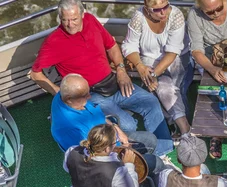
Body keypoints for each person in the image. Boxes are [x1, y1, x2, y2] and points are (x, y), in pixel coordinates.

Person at [31, 0, 173, 156]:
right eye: (64, 20)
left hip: (112, 82)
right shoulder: (54, 42)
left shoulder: (91, 20)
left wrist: (120, 70)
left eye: (74, 19)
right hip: (90, 94)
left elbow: (111, 46)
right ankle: (141, 151)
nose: (69, 24)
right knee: (129, 126)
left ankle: (164, 151)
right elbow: (35, 73)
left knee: (151, 102)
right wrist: (59, 93)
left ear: (82, 14)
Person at [50, 74, 162, 173]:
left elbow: (99, 116)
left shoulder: (65, 95)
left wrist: (117, 128)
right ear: (69, 99)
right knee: (156, 163)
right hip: (107, 159)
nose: (89, 97)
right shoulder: (69, 129)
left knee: (151, 139)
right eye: (85, 95)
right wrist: (122, 151)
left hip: (111, 139)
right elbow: (93, 158)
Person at [121, 0, 193, 136]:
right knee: (162, 88)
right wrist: (140, 66)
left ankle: (172, 124)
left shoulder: (176, 15)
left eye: (166, 6)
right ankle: (184, 128)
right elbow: (129, 45)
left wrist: (153, 76)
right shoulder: (138, 17)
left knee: (161, 87)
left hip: (176, 58)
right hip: (148, 60)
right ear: (147, 9)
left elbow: (173, 51)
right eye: (157, 10)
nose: (163, 12)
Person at [188, 0, 227, 159]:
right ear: (201, 9)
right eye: (210, 12)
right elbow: (197, 50)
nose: (216, 14)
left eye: (219, 8)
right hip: (209, 59)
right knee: (215, 89)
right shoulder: (194, 14)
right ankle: (216, 133)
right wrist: (213, 70)